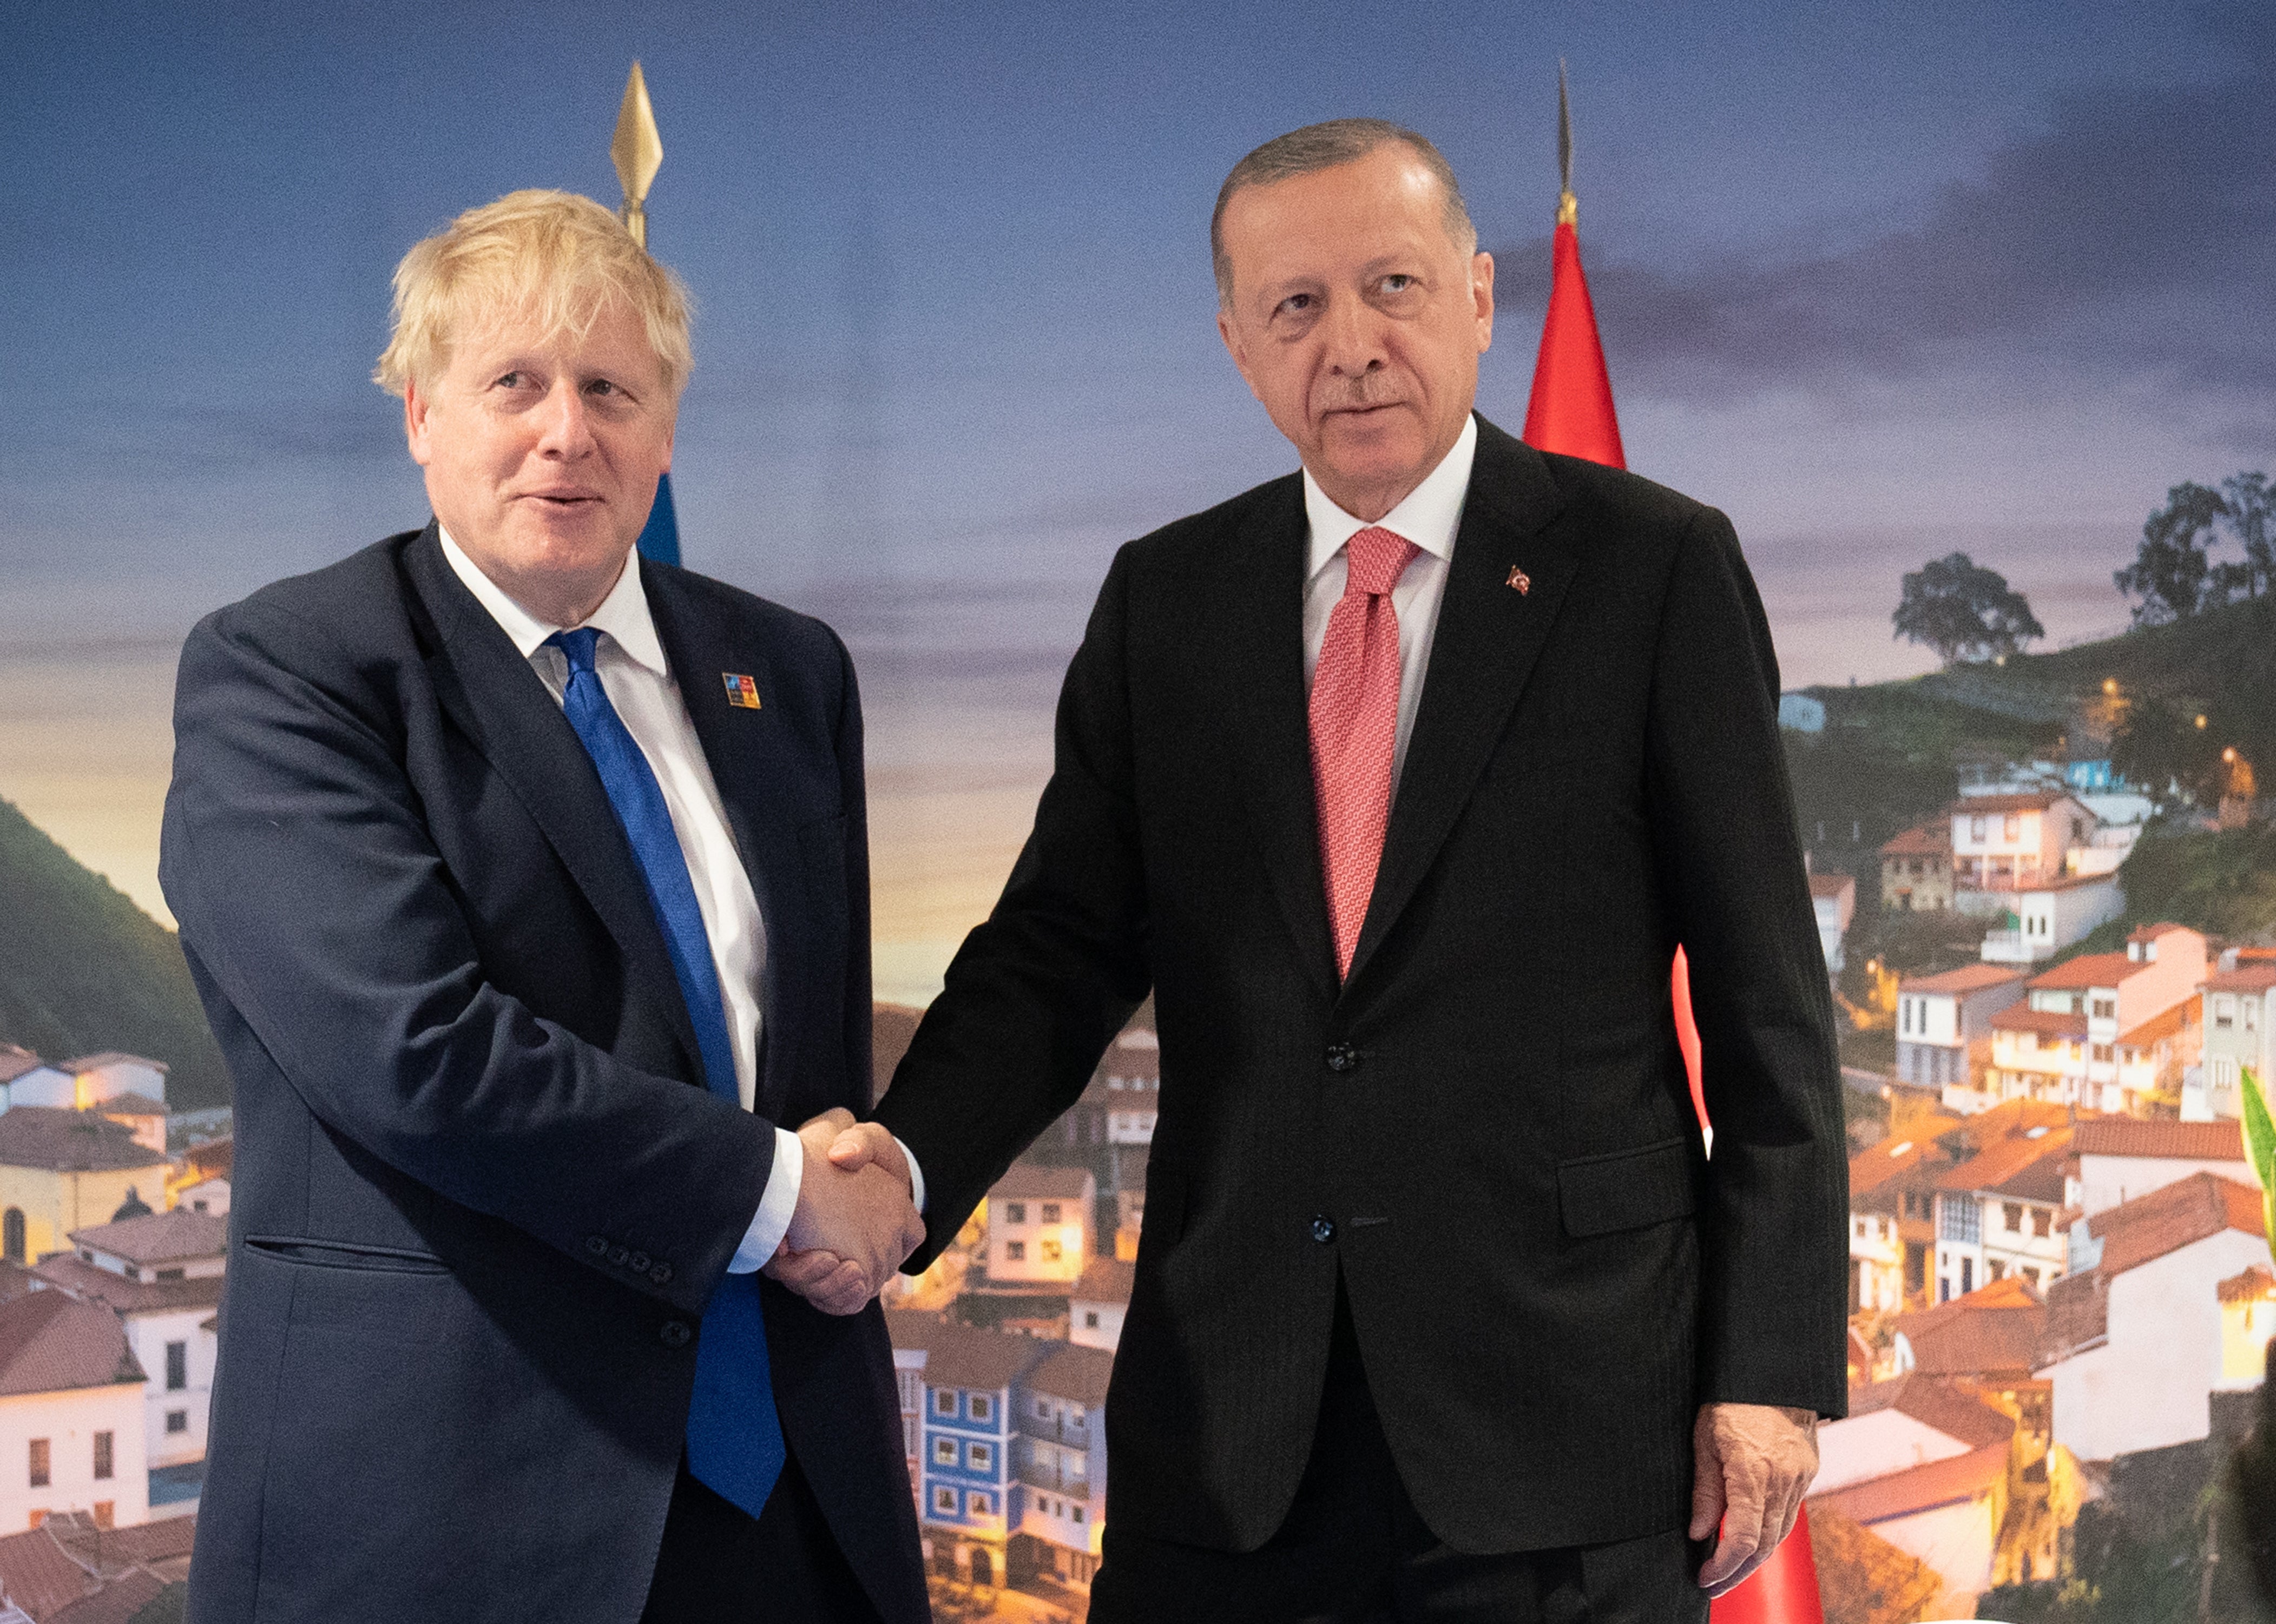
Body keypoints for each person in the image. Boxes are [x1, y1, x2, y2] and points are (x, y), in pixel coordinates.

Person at [861, 121, 1849, 1621]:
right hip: (1231, 1444)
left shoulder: (1653, 570)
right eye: (1297, 306)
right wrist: (904, 1170)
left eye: (1391, 284)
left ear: (1476, 295)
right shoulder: (1164, 601)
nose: (1352, 346)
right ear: (1238, 346)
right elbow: (1055, 950)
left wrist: (1770, 1369)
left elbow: (1772, 1005)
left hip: (1565, 1436)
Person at [161, 190, 927, 1624]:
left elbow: (800, 1058)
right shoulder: (286, 671)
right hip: (452, 1518)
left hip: (796, 1508)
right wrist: (776, 1192)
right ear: (419, 413)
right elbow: (414, 1053)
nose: (568, 431)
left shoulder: (791, 671)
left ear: (666, 431)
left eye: (612, 390)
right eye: (514, 381)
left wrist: (878, 1171)